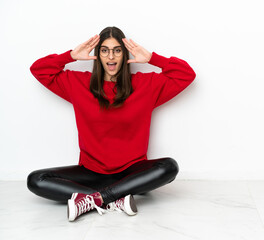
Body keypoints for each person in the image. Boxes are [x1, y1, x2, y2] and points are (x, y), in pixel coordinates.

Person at [27, 26, 196, 222]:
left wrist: (152, 58)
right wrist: (71, 55)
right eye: (104, 50)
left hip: (132, 172)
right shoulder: (77, 83)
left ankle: (97, 198)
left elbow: (186, 75)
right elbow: (39, 70)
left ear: (124, 54)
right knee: (36, 180)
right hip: (91, 172)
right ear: (98, 55)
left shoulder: (146, 85)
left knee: (169, 167)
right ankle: (116, 199)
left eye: (117, 50)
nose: (111, 56)